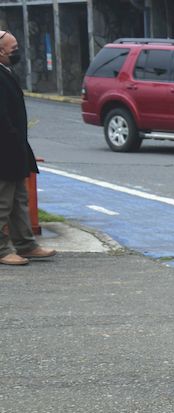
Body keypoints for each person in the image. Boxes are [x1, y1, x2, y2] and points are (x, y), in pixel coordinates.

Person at [0, 29, 55, 266]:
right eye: (14, 49)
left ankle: (26, 244)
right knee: (3, 202)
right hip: (4, 148)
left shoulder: (6, 71)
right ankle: (1, 250)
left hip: (14, 147)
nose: (17, 52)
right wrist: (13, 140)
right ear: (1, 51)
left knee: (19, 199)